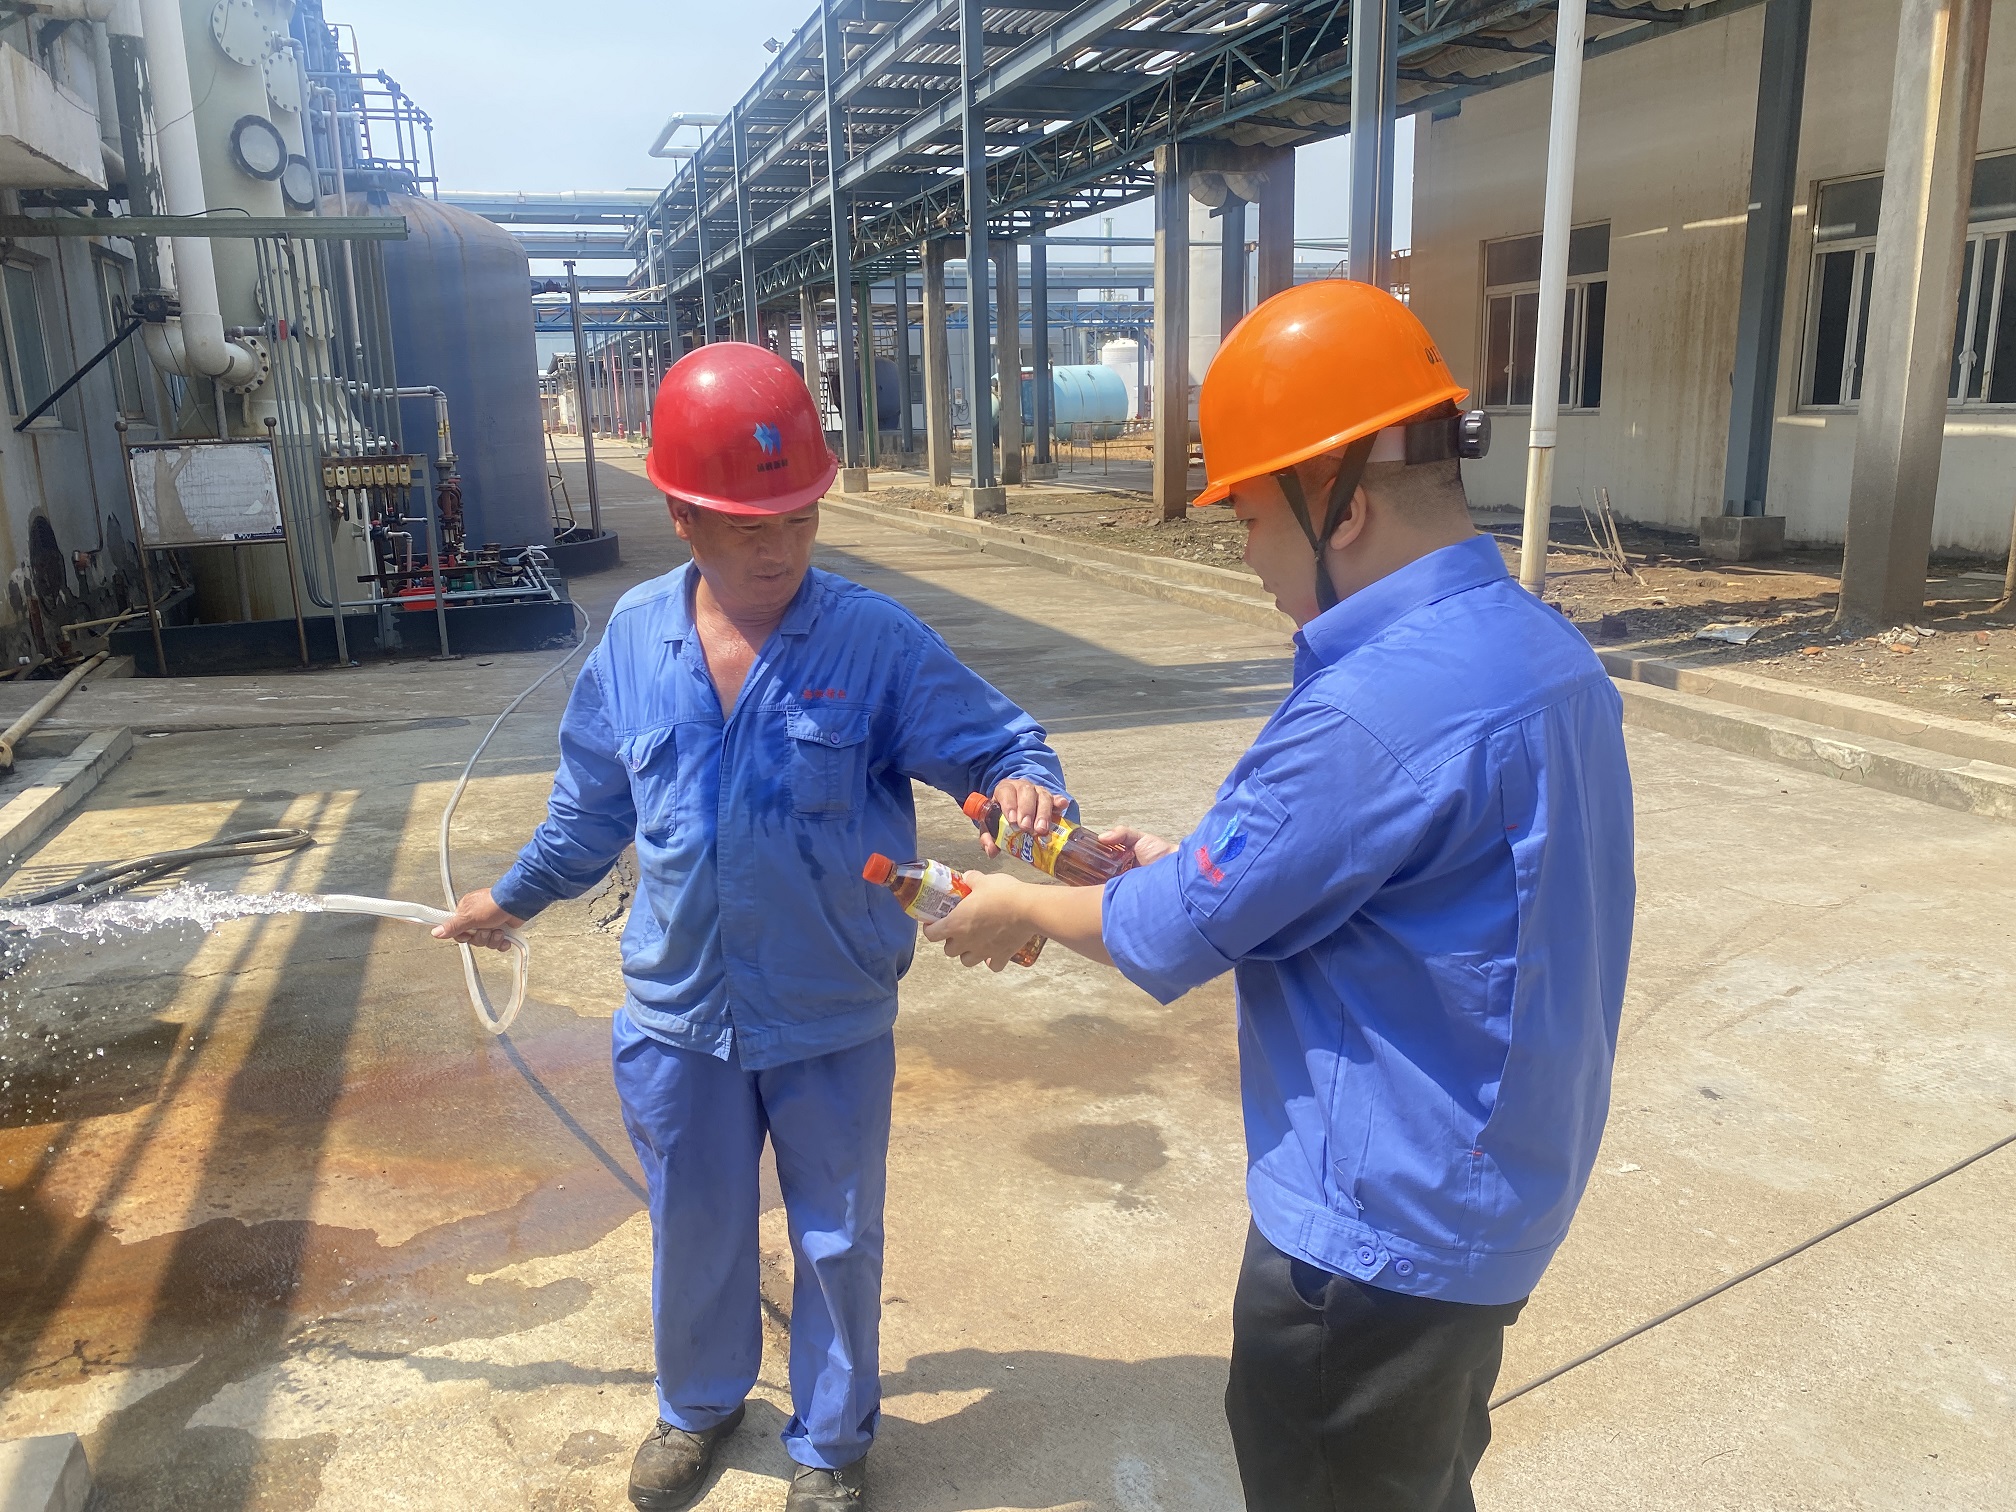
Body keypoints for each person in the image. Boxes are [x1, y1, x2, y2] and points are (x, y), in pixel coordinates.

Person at [925, 280, 1636, 1511]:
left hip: (1371, 1246)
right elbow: (1387, 879)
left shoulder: (1369, 710)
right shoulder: (1540, 651)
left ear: (1341, 503)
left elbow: (1171, 930)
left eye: (1252, 516)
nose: (1245, 552)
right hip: (1493, 1195)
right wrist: (1201, 856)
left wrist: (1019, 905)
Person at [433, 343, 1071, 1512]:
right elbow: (590, 808)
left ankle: (830, 1443)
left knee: (835, 1238)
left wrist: (1029, 793)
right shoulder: (635, 639)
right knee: (695, 1224)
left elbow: (1000, 748)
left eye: (798, 520)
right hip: (677, 1010)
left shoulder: (873, 641)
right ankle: (699, 1404)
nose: (778, 550)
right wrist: (510, 897)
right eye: (744, 528)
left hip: (829, 1005)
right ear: (681, 515)